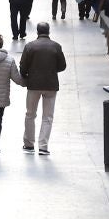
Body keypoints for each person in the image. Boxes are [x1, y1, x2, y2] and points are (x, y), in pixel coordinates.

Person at [20, 22, 67, 156]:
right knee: (48, 116)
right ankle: (43, 146)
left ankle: (29, 144)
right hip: (51, 85)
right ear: (48, 31)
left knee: (30, 114)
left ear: (37, 32)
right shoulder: (56, 46)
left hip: (33, 85)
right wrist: (52, 70)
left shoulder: (30, 46)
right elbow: (62, 66)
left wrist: (26, 76)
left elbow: (23, 66)